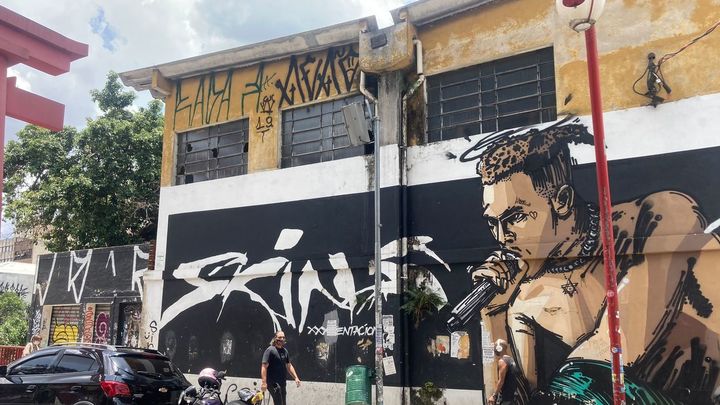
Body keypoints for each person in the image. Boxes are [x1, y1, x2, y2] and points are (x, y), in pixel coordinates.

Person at [464, 121, 720, 403]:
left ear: (562, 201)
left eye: (515, 217)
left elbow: (620, 353)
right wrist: (494, 313)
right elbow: (511, 398)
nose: (503, 237)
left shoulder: (657, 218)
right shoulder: (527, 300)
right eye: (493, 223)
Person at [261, 330, 300, 405]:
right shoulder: (270, 350)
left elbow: (289, 365)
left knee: (283, 403)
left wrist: (296, 377)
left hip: (282, 383)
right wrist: (264, 382)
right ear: (275, 338)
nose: (282, 339)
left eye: (283, 337)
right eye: (280, 337)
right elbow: (264, 366)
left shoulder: (285, 351)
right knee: (279, 402)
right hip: (272, 383)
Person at [488, 339, 518, 405]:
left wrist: (494, 396)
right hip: (512, 396)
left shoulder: (502, 361)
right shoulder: (511, 359)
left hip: (506, 397)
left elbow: (501, 381)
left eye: (495, 347)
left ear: (499, 348)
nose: (494, 350)